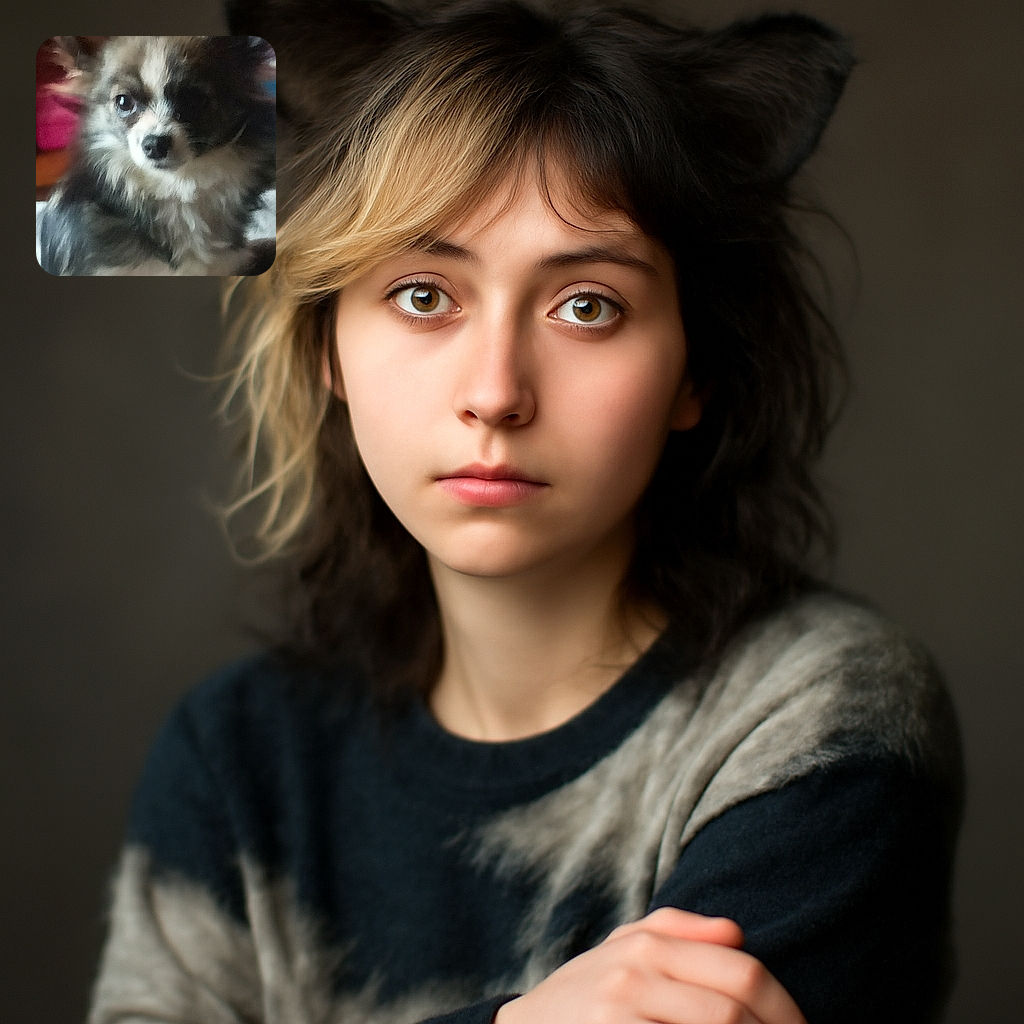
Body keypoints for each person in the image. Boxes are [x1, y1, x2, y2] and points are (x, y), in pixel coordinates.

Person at [87, 2, 963, 1023]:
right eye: (423, 295)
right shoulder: (238, 758)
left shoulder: (820, 717)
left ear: (696, 370)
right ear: (327, 347)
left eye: (587, 306)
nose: (496, 393)